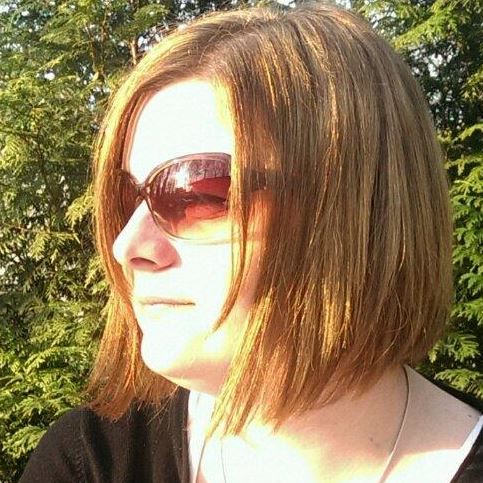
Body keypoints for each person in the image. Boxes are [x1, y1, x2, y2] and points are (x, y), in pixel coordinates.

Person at [20, 3, 482, 482]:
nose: (126, 246)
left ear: (353, 212)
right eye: (127, 196)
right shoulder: (91, 461)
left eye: (198, 193)